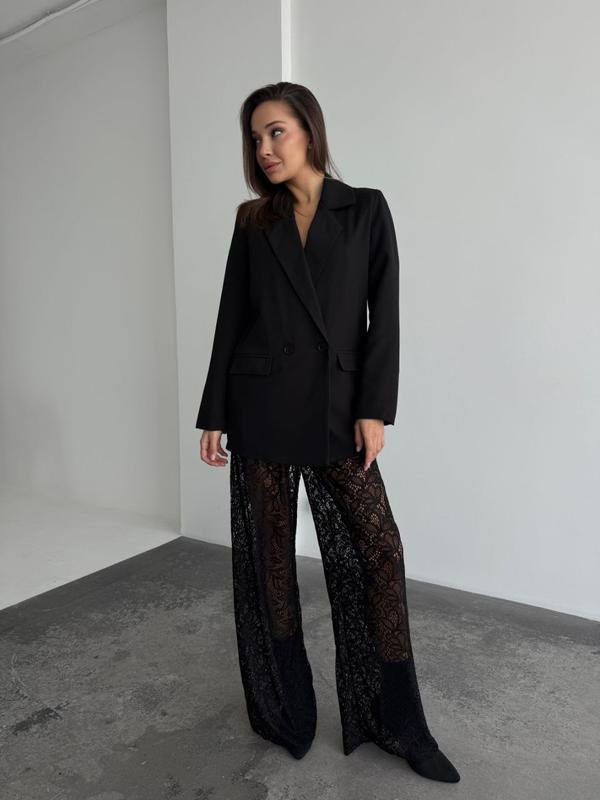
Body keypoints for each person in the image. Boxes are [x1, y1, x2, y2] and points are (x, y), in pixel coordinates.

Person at [195, 81, 460, 783]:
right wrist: (214, 412)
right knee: (271, 560)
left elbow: (384, 315)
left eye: (276, 131)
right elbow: (231, 317)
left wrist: (374, 409)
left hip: (339, 407)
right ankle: (289, 710)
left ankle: (394, 720)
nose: (264, 148)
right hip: (261, 406)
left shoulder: (364, 208)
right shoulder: (254, 220)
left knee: (379, 551)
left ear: (309, 130)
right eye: (255, 137)